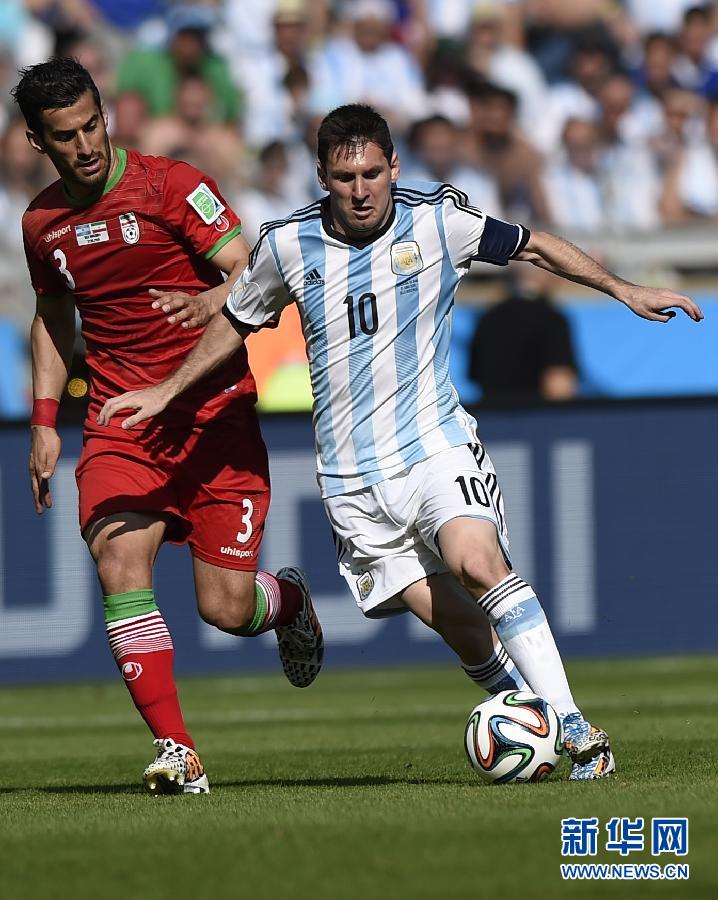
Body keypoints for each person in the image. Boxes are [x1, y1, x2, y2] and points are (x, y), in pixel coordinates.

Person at [98, 104, 703, 780]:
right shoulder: (289, 245)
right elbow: (235, 322)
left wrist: (623, 287)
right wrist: (166, 390)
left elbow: (534, 245)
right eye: (342, 177)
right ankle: (525, 723)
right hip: (353, 484)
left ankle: (578, 732)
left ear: (393, 167)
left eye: (369, 173)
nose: (359, 190)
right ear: (323, 178)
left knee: (478, 563)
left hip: (434, 446)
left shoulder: (440, 221)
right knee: (463, 628)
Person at [13, 57, 324, 796]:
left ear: (105, 114)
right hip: (124, 419)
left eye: (93, 124)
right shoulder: (42, 224)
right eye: (66, 135)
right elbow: (55, 318)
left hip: (215, 417)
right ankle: (178, 751)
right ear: (37, 141)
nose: (86, 144)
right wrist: (47, 421)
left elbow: (246, 268)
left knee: (225, 607)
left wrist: (215, 301)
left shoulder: (171, 185)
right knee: (119, 561)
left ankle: (289, 603)